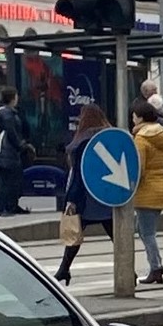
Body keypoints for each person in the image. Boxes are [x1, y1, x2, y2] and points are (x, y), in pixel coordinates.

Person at [54, 104, 113, 286]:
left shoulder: (83, 141)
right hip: (106, 195)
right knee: (115, 235)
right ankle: (129, 271)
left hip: (85, 196)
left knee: (75, 232)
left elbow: (79, 175)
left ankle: (64, 269)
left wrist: (71, 199)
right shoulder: (109, 136)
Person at [131, 98, 163, 285]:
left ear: (140, 118)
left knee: (147, 233)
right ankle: (156, 265)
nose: (133, 120)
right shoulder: (162, 134)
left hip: (146, 190)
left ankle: (156, 267)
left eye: (134, 116)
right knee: (143, 229)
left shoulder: (141, 139)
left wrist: (131, 187)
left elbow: (139, 167)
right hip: (161, 188)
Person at [0, 87, 30, 215]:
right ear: (13, 98)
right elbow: (12, 133)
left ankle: (11, 205)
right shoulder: (7, 114)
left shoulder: (4, 112)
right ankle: (4, 207)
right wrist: (21, 145)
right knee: (7, 181)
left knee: (10, 179)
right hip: (6, 151)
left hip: (4, 151)